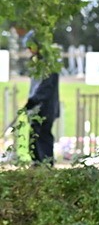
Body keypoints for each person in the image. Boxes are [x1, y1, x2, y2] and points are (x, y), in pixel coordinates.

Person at [21, 33, 60, 165]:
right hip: (36, 108)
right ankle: (36, 163)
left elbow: (46, 87)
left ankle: (46, 164)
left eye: (30, 46)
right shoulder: (38, 62)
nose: (29, 50)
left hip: (45, 108)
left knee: (43, 135)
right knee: (33, 135)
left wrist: (33, 100)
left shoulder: (49, 64)